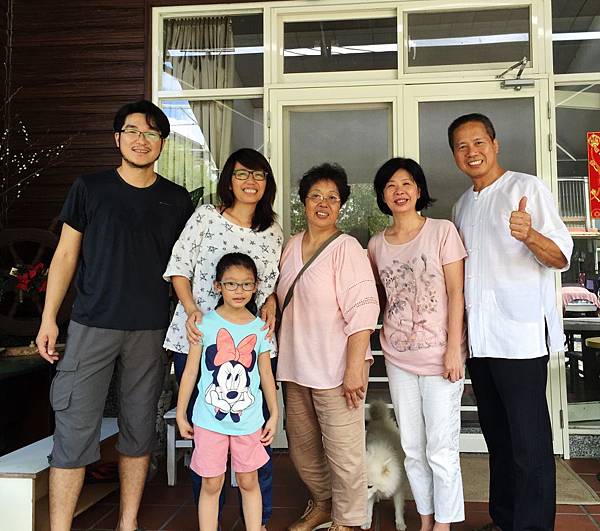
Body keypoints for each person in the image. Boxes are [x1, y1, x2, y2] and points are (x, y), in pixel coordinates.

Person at [35, 100, 194, 531]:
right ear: (117, 138)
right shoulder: (90, 188)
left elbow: (187, 267)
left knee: (138, 428)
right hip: (91, 323)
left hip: (150, 329)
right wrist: (49, 318)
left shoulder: (176, 199)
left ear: (162, 143)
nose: (142, 140)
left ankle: (128, 522)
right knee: (74, 427)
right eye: (133, 131)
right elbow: (65, 255)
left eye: (152, 133)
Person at [449, 113, 573, 531]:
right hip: (480, 342)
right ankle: (504, 520)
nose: (472, 152)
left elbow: (561, 256)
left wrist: (530, 235)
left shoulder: (527, 188)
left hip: (519, 338)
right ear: (454, 156)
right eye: (462, 146)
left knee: (529, 444)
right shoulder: (462, 206)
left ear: (495, 144)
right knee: (498, 440)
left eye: (479, 142)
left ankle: (533, 526)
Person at [164, 148, 282, 529]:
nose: (251, 181)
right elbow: (179, 268)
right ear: (229, 179)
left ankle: (258, 521)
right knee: (207, 445)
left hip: (251, 340)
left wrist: (272, 304)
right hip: (200, 337)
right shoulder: (206, 217)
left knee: (253, 439)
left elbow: (272, 285)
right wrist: (191, 309)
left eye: (259, 175)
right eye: (242, 174)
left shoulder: (273, 230)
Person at [276, 163, 380, 531]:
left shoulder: (346, 248)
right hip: (295, 364)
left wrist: (354, 368)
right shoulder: (291, 246)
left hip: (337, 366)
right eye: (315, 196)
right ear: (303, 202)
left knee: (343, 450)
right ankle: (322, 503)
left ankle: (349, 520)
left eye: (332, 198)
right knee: (302, 447)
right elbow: (277, 292)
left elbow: (364, 310)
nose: (323, 203)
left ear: (341, 206)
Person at [368, 157, 467, 531]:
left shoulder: (442, 231)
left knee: (441, 448)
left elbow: (456, 292)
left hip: (441, 357)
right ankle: (426, 519)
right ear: (382, 195)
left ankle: (444, 524)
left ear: (419, 190)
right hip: (399, 359)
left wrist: (454, 349)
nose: (399, 191)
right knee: (412, 448)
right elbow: (379, 298)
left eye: (406, 183)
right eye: (390, 186)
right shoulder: (376, 245)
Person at [176, 252, 278, 531]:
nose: (239, 290)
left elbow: (266, 375)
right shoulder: (203, 324)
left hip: (249, 421)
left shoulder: (260, 329)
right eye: (231, 284)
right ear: (217, 286)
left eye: (246, 284)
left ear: (256, 287)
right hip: (209, 420)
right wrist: (182, 413)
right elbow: (190, 372)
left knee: (249, 480)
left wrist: (274, 414)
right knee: (211, 482)